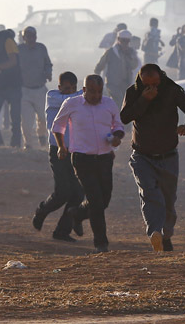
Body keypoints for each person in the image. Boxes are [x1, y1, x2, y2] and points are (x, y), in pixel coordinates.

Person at [120, 64, 185, 252]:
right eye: (147, 84)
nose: (152, 88)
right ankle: (155, 233)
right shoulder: (133, 92)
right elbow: (125, 117)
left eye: (155, 83)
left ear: (161, 78)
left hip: (168, 155)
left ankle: (166, 235)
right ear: (141, 81)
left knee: (168, 200)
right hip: (142, 156)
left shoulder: (172, 90)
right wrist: (144, 100)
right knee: (149, 194)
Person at [52, 75, 125, 253]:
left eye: (99, 91)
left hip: (105, 158)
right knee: (96, 201)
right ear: (84, 90)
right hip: (82, 159)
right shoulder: (71, 104)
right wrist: (61, 146)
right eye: (92, 91)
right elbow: (58, 126)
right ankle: (101, 243)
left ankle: (77, 213)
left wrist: (117, 137)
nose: (96, 95)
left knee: (104, 199)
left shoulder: (109, 104)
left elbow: (119, 125)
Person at [32, 71, 84, 242]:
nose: (70, 92)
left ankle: (62, 231)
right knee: (63, 192)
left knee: (77, 193)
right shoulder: (53, 96)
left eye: (73, 89)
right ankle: (42, 211)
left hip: (76, 151)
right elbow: (70, 100)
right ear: (59, 87)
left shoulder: (79, 99)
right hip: (58, 151)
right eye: (67, 88)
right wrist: (84, 93)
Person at [18, 26, 53, 149]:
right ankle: (28, 144)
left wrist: (48, 73)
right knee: (26, 121)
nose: (31, 38)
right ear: (24, 38)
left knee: (44, 117)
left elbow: (48, 63)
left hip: (40, 89)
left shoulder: (41, 48)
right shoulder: (18, 50)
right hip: (24, 90)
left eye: (33, 36)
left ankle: (41, 134)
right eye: (28, 36)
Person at [94, 29, 139, 109]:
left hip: (126, 82)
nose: (125, 43)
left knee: (124, 102)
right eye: (123, 40)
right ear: (118, 40)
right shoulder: (111, 51)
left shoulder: (131, 52)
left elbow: (134, 66)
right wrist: (96, 78)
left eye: (127, 41)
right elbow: (100, 65)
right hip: (112, 82)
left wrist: (128, 56)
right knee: (118, 99)